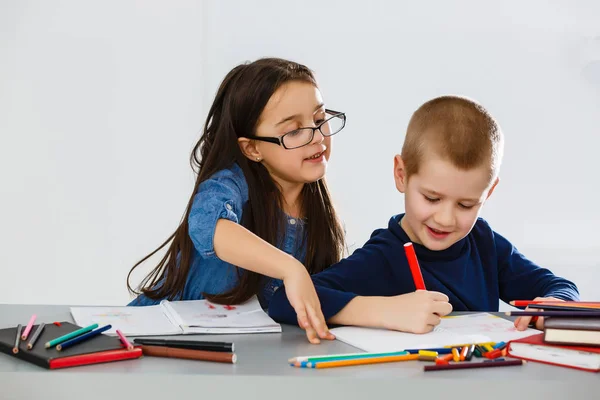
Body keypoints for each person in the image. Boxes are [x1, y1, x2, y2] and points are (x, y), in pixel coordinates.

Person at [268, 95, 579, 339]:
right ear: (401, 175)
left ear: (489, 193)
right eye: (432, 198)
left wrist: (556, 305)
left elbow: (559, 287)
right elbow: (284, 301)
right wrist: (382, 310)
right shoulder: (384, 256)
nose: (445, 219)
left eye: (466, 205)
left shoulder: (484, 243)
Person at [127, 57, 348, 343]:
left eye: (319, 120)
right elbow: (208, 225)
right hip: (153, 339)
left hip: (237, 356)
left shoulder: (322, 216)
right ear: (252, 148)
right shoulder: (230, 184)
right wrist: (291, 269)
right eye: (293, 130)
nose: (317, 136)